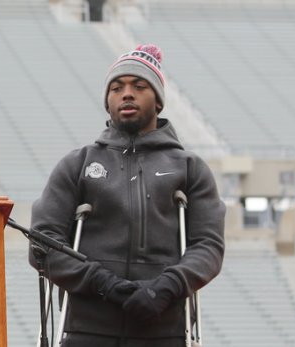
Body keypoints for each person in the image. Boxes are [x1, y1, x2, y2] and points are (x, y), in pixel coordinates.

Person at [30, 44, 225, 346]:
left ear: (158, 101)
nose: (127, 94)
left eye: (139, 86)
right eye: (117, 87)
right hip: (86, 330)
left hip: (164, 329)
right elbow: (43, 244)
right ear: (107, 102)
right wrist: (104, 284)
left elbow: (208, 246)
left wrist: (166, 286)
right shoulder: (77, 164)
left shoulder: (190, 168)